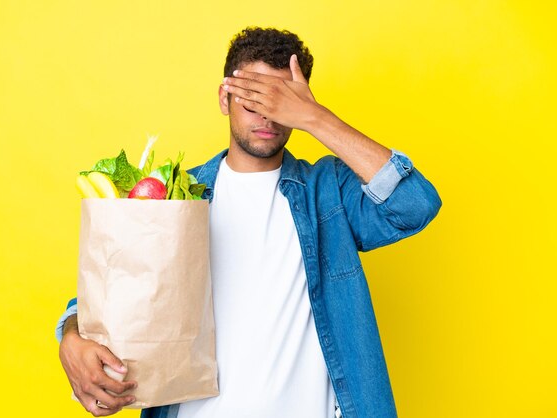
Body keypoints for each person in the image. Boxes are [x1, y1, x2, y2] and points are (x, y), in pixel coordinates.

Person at [56, 27, 442, 418]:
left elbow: (415, 204)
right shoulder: (177, 194)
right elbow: (112, 297)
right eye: (253, 99)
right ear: (225, 98)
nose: (267, 116)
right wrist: (70, 336)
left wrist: (316, 118)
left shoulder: (328, 192)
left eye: (281, 102)